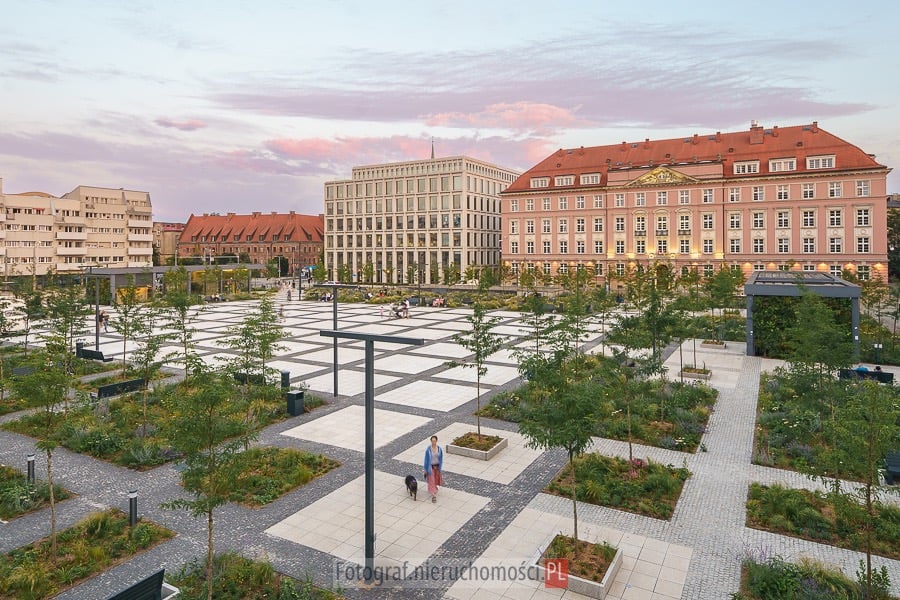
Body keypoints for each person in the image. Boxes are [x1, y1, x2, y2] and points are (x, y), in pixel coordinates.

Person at [423, 435, 443, 503]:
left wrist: (440, 467)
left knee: (435, 480)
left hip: (437, 467)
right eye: (432, 441)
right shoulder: (428, 450)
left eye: (434, 441)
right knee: (431, 480)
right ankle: (433, 495)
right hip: (430, 468)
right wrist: (425, 469)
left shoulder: (439, 449)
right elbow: (426, 460)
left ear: (436, 441)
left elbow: (441, 459)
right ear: (431, 441)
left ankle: (435, 488)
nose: (433, 442)